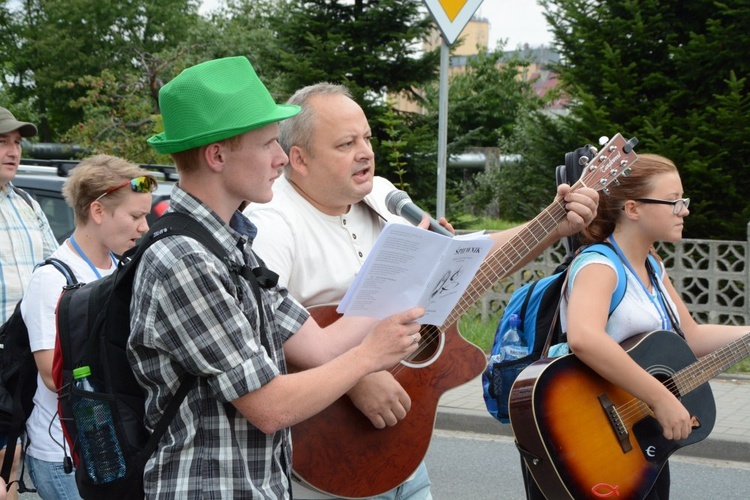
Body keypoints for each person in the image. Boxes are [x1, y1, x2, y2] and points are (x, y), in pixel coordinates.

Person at [244, 82, 599, 499]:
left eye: (367, 138)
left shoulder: (379, 196)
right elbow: (259, 334)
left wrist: (553, 225)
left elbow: (466, 262)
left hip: (404, 446)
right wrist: (357, 377)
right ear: (299, 159)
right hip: (325, 458)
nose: (366, 152)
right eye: (346, 143)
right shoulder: (270, 223)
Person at [128, 56, 425, 499]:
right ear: (216, 156)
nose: (282, 158)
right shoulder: (183, 260)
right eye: (268, 143)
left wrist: (411, 263)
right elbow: (269, 406)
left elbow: (322, 345)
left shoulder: (233, 247)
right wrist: (367, 358)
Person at [551, 153, 748, 499]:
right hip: (597, 439)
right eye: (673, 202)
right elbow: (584, 338)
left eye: (683, 201)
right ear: (632, 209)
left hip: (641, 437)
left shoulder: (653, 268)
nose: (684, 210)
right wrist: (661, 398)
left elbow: (692, 337)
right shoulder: (599, 265)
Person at [20, 155, 157, 499]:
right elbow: (53, 376)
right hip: (69, 456)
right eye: (136, 216)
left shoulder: (122, 269)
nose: (144, 227)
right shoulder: (52, 279)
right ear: (98, 212)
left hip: (116, 448)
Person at [0, 106, 58, 500]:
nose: (13, 151)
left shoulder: (27, 204)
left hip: (22, 359)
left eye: (17, 142)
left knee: (11, 463)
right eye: (2, 141)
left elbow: (54, 271)